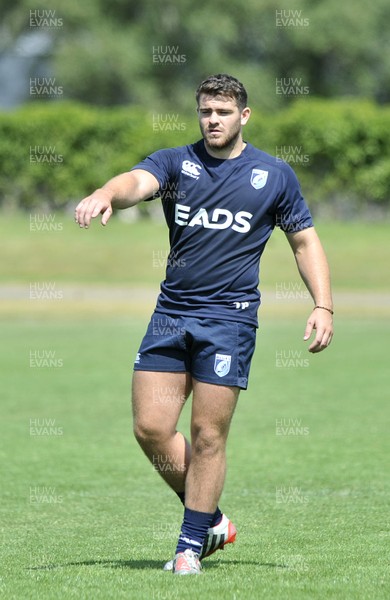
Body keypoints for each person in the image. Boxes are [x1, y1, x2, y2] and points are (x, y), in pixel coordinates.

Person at [75, 73, 333, 575]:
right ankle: (211, 518)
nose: (213, 120)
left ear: (244, 115)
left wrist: (323, 304)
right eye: (205, 111)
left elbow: (304, 242)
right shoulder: (176, 162)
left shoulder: (275, 175)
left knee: (208, 434)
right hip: (171, 314)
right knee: (151, 427)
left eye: (223, 111)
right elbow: (137, 182)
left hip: (229, 321)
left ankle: (189, 546)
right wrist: (107, 191)